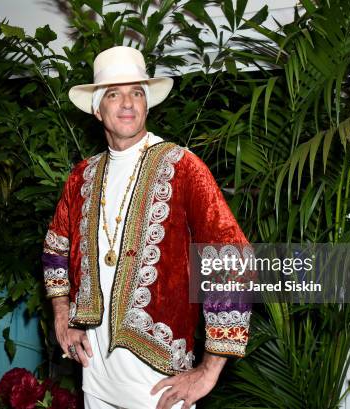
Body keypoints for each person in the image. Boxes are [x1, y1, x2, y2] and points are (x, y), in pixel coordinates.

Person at [42, 46, 251, 409]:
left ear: (147, 104)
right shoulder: (81, 177)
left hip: (160, 386)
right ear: (97, 109)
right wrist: (62, 315)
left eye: (136, 92)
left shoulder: (184, 168)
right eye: (114, 94)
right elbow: (55, 248)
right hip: (95, 377)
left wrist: (209, 369)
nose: (127, 103)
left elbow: (230, 258)